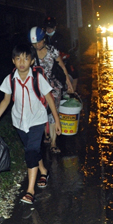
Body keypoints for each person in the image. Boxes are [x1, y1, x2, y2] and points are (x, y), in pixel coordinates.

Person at [0, 44, 61, 204]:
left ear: (32, 61)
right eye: (18, 58)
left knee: (31, 152)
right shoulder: (9, 79)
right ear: (13, 61)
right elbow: (6, 100)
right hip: (19, 122)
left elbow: (49, 97)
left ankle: (30, 190)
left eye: (26, 58)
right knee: (31, 150)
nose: (22, 62)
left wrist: (56, 120)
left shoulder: (37, 78)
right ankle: (43, 171)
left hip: (37, 120)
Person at [29, 26, 73, 154]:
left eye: (39, 41)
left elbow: (62, 67)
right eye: (34, 43)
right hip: (38, 87)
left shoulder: (52, 51)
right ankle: (46, 134)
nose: (37, 45)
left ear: (43, 39)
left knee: (54, 113)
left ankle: (53, 142)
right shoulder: (30, 54)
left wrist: (68, 83)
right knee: (41, 111)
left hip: (54, 86)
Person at [43, 17, 78, 91]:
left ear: (55, 27)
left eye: (51, 28)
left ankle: (72, 91)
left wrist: (64, 55)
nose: (49, 30)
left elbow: (65, 49)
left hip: (60, 61)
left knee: (74, 73)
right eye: (47, 28)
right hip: (46, 63)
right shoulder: (43, 38)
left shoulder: (60, 37)